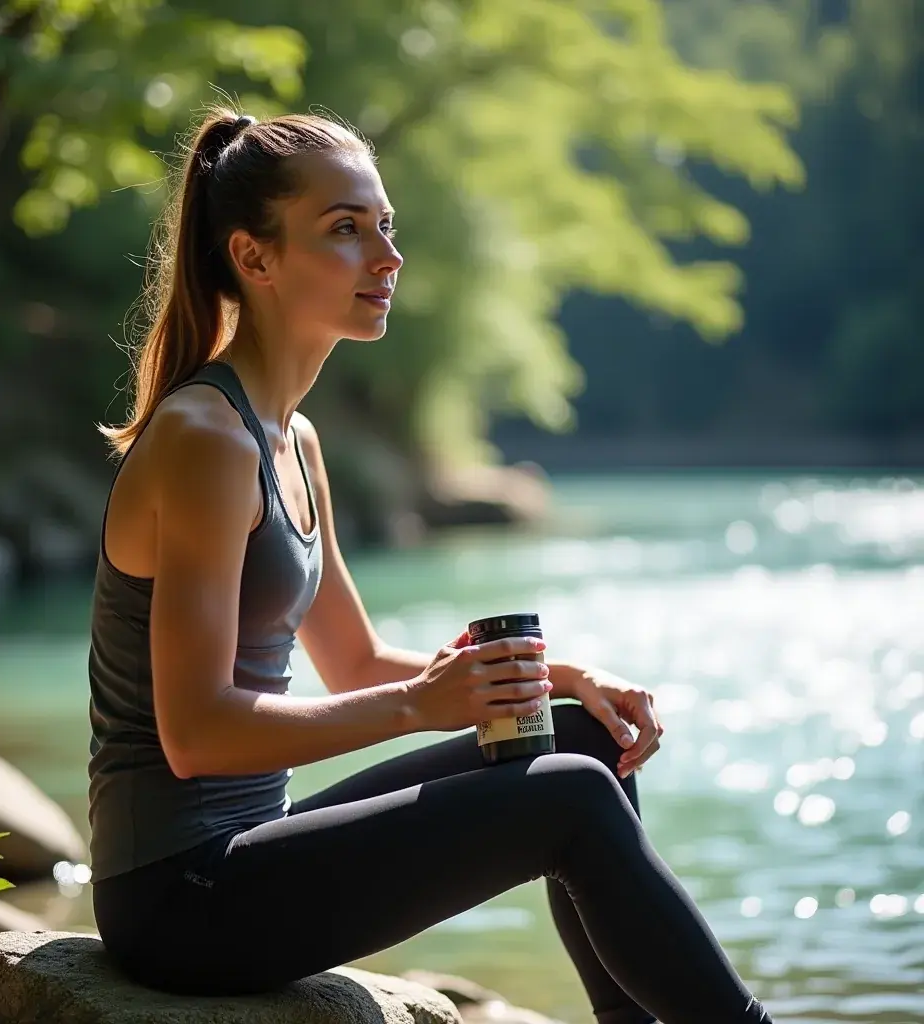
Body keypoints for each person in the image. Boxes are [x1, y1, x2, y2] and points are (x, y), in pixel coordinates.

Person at [87, 108, 773, 1024]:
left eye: (385, 225)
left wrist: (548, 677)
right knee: (566, 799)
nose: (387, 256)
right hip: (179, 899)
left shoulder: (292, 438)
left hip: (255, 846)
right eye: (345, 230)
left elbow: (357, 666)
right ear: (255, 259)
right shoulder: (206, 440)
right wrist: (421, 707)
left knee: (581, 742)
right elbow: (197, 734)